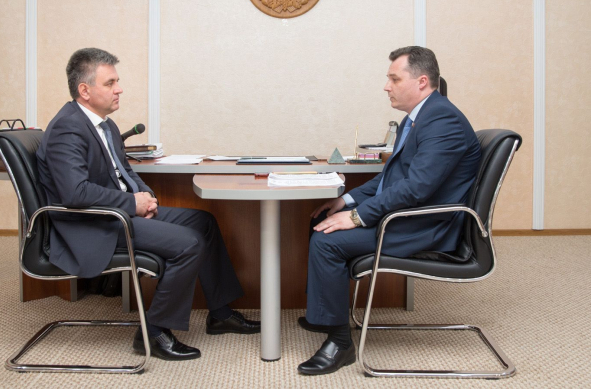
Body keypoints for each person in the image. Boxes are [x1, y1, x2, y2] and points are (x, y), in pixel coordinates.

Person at [36, 48, 259, 362]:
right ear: (84, 90)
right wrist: (132, 203)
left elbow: (125, 171)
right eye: (110, 83)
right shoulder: (67, 127)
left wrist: (147, 198)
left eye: (117, 81)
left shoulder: (105, 125)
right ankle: (153, 332)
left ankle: (220, 314)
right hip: (92, 224)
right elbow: (75, 193)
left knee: (203, 222)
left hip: (117, 213)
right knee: (189, 243)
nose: (119, 89)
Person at [297, 46, 482, 375]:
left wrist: (356, 217)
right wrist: (345, 202)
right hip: (408, 216)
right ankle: (325, 315)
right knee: (322, 221)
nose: (387, 86)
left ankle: (340, 343)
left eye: (394, 79)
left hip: (424, 226)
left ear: (421, 81)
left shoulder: (443, 120)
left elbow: (416, 188)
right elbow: (390, 179)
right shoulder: (418, 118)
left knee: (327, 241)